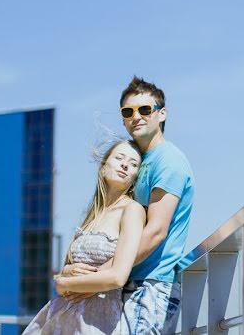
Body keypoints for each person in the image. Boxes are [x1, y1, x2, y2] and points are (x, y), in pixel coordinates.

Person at [64, 76, 194, 334]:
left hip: (151, 286)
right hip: (127, 285)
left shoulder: (168, 161)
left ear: (162, 114)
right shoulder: (141, 160)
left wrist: (99, 274)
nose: (137, 116)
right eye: (128, 111)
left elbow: (156, 231)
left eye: (145, 110)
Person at [24, 140, 145, 334]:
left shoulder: (132, 210)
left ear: (135, 177)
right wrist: (67, 271)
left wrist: (64, 283)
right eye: (119, 158)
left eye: (133, 164)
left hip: (98, 319)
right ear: (104, 165)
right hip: (63, 316)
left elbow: (117, 277)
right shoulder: (94, 214)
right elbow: (66, 277)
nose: (125, 165)